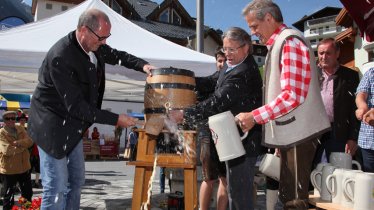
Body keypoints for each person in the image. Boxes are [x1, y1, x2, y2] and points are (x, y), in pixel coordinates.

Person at [27, 8, 155, 209]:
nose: (104, 42)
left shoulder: (93, 45)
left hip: (73, 127)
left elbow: (117, 55)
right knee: (56, 187)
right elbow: (77, 106)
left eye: (107, 37)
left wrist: (143, 65)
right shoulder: (61, 56)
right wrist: (116, 119)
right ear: (84, 30)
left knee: (76, 182)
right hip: (51, 128)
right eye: (102, 37)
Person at [238, 1, 330, 209]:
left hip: (301, 134)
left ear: (269, 18)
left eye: (254, 26)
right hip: (295, 134)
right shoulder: (282, 42)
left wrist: (254, 116)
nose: (253, 33)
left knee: (294, 200)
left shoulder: (289, 42)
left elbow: (292, 96)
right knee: (289, 195)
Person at [169, 27, 263, 210]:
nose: (227, 54)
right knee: (232, 188)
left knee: (239, 196)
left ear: (246, 48)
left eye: (232, 49)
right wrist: (186, 79)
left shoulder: (243, 72)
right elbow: (213, 81)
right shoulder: (231, 64)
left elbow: (217, 102)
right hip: (232, 139)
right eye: (225, 49)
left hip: (244, 143)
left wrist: (184, 114)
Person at [312, 38, 360, 167]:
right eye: (321, 53)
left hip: (339, 132)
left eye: (328, 53)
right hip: (315, 132)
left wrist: (353, 138)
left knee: (338, 171)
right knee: (315, 170)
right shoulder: (311, 75)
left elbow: (355, 109)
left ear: (337, 54)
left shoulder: (350, 76)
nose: (323, 57)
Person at [197, 46, 228, 210]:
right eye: (219, 61)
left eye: (225, 60)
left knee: (225, 178)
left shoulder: (232, 80)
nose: (222, 64)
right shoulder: (208, 81)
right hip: (207, 132)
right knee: (208, 177)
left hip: (226, 131)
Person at [0, 111, 33, 210]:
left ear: (15, 119)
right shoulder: (1, 132)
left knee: (27, 194)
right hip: (10, 169)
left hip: (24, 167)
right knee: (9, 196)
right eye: (8, 119)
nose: (11, 121)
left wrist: (17, 143)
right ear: (4, 121)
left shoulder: (20, 128)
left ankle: (26, 209)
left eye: (13, 118)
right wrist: (23, 146)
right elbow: (6, 150)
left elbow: (30, 141)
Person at [355, 67, 374, 172]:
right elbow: (360, 95)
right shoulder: (371, 73)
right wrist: (362, 107)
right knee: (369, 182)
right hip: (369, 141)